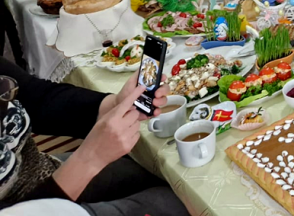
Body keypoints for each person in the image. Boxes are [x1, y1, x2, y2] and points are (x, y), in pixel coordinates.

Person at [0, 57, 187, 214]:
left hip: (38, 172)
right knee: (179, 204)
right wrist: (90, 159)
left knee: (156, 169)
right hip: (39, 207)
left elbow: (36, 97)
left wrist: (113, 104)